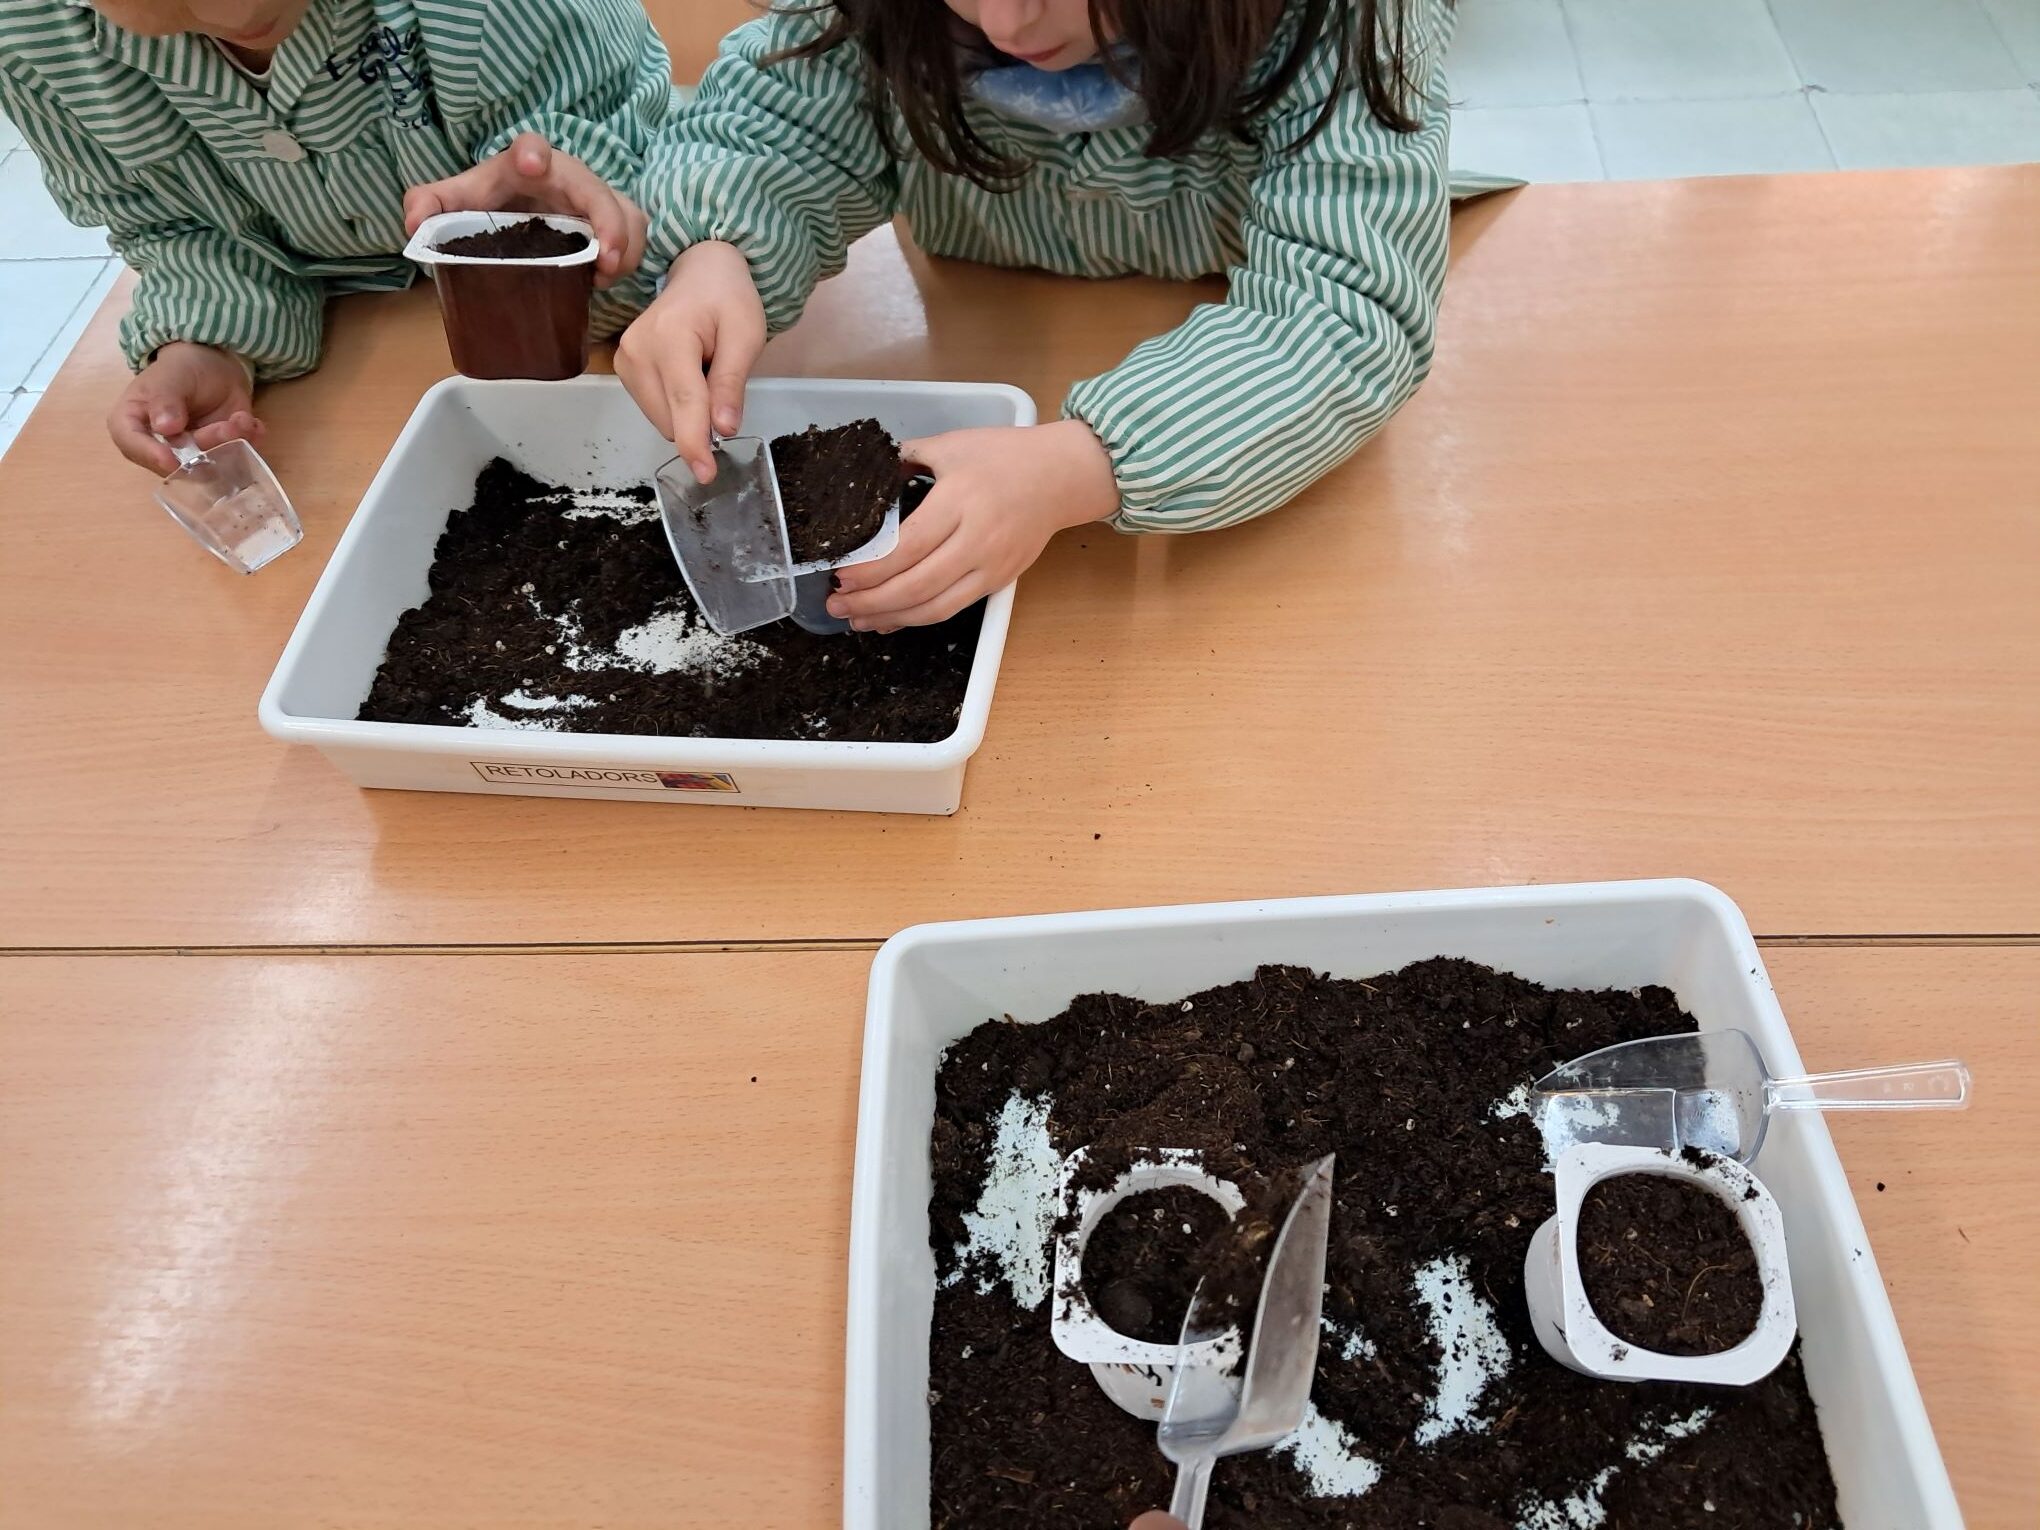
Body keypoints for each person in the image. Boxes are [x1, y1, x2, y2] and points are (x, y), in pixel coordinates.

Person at [616, 0, 1455, 631]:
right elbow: (784, 125)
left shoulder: (1348, 24)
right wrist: (716, 250)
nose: (1007, 23)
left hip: (1214, 322)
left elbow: (1340, 309)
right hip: (978, 295)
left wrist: (1079, 465)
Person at [0, 0, 676, 475]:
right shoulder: (32, 41)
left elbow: (634, 228)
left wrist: (561, 253)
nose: (237, 10)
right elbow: (175, 226)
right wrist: (205, 343)